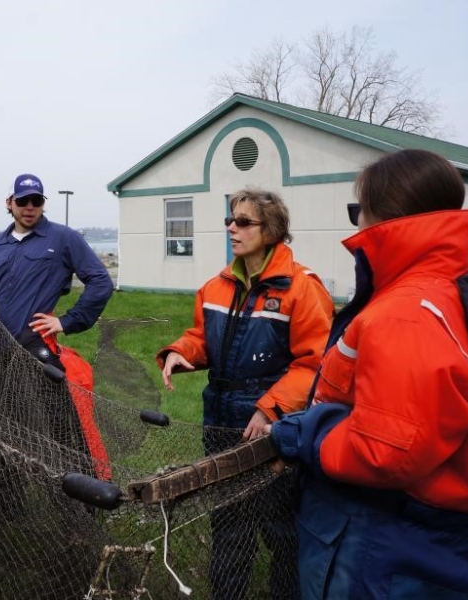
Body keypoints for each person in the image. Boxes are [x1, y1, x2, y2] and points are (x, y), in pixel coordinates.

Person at [267, 149, 468, 598]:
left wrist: (306, 434)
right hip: (446, 536)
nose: (356, 224)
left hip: (387, 537)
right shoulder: (459, 297)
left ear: (379, 219)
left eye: (359, 212)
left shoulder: (404, 316)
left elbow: (385, 451)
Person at [157, 188, 334, 600]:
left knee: (280, 523)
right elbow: (202, 337)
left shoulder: (302, 289)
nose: (231, 228)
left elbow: (317, 363)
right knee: (228, 518)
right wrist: (180, 354)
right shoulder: (217, 285)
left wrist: (271, 410)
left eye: (243, 221)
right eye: (230, 220)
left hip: (275, 426)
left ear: (271, 230)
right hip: (219, 415)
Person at [0, 173, 113, 477]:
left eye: (36, 201)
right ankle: (5, 492)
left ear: (42, 204)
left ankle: (79, 500)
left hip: (37, 348)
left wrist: (67, 321)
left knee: (60, 428)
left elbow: (100, 282)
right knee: (0, 426)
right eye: (23, 201)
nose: (29, 207)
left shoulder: (62, 238)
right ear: (10, 203)